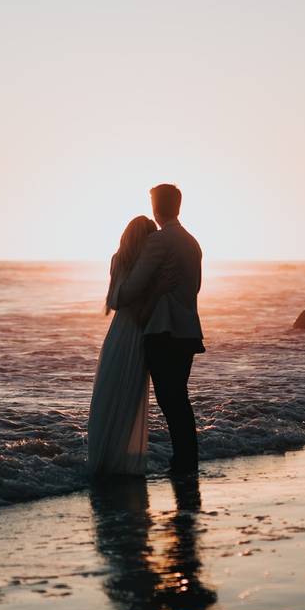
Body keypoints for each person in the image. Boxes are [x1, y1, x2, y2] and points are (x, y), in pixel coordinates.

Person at [116, 183, 204, 474]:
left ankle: (183, 463)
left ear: (156, 208)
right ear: (178, 206)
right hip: (188, 330)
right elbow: (196, 288)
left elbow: (131, 289)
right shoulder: (192, 242)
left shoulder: (160, 241)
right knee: (178, 398)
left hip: (163, 332)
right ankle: (186, 460)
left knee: (171, 400)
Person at [86, 216, 159, 475]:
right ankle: (119, 460)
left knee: (109, 394)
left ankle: (103, 457)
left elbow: (113, 301)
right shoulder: (147, 265)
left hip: (119, 333)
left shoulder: (119, 260)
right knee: (129, 397)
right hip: (139, 333)